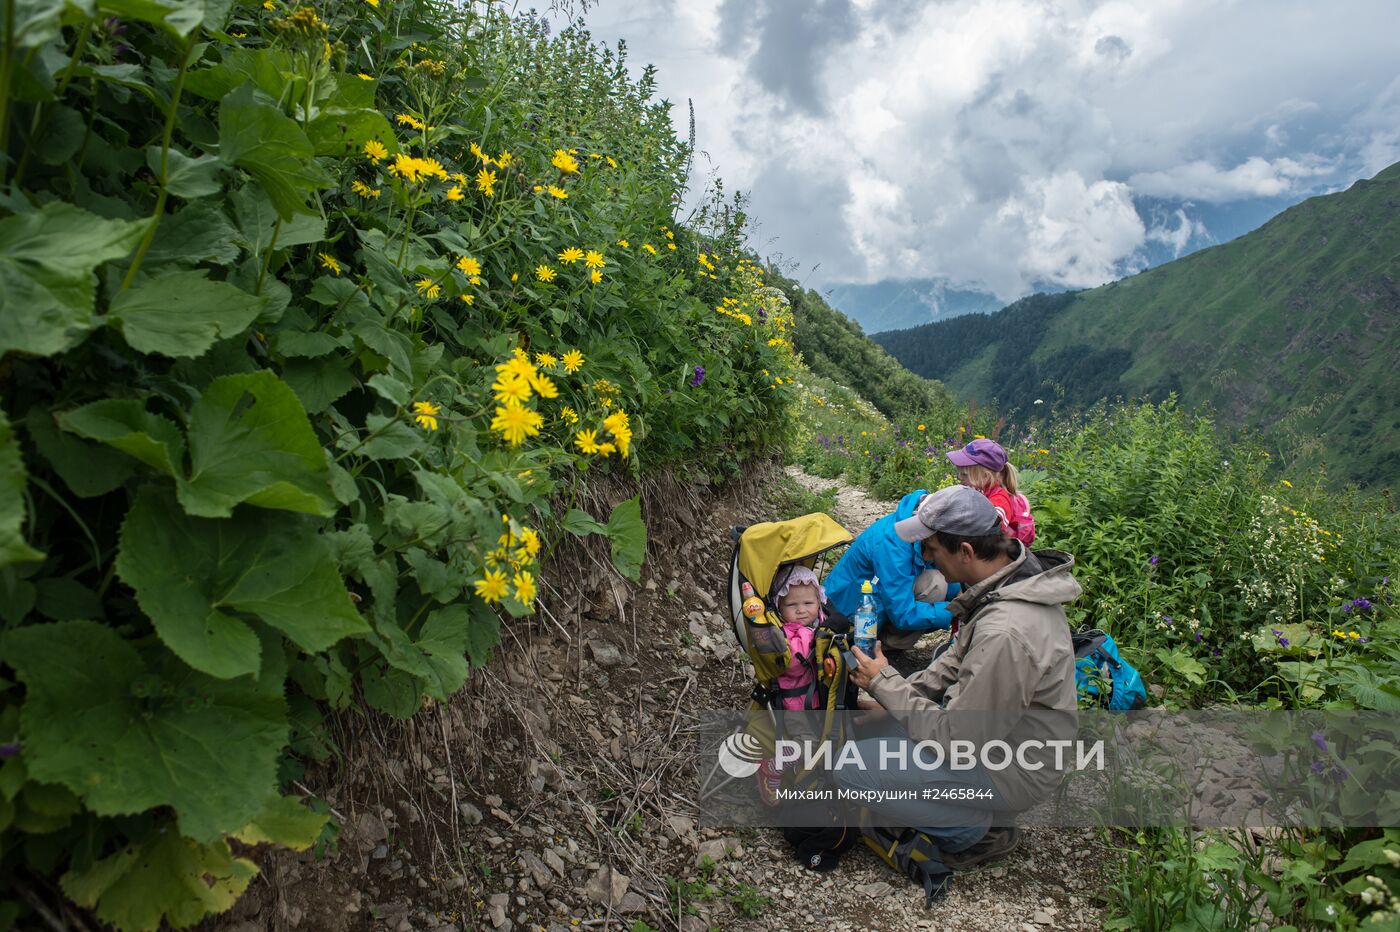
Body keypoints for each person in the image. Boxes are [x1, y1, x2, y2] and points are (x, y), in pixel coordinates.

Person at [841, 484, 1080, 865]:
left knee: (851, 769)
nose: (924, 556)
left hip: (1014, 769)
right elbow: (952, 662)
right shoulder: (1005, 584)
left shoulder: (1007, 632)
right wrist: (889, 696)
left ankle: (973, 829)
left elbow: (957, 739)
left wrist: (885, 681)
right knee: (878, 729)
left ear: (966, 552)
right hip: (998, 744)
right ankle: (962, 807)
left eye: (931, 549)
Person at [823, 490, 963, 650]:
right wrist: (953, 610)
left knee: (938, 581)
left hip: (876, 602)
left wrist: (959, 594)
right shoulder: (892, 544)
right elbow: (902, 613)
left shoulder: (914, 523)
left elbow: (935, 564)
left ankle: (882, 640)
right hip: (848, 616)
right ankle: (883, 645)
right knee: (936, 584)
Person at [755, 565, 836, 805]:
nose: (801, 611)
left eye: (808, 604)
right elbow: (792, 664)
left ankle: (803, 773)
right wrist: (815, 640)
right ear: (780, 608)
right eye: (792, 606)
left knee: (820, 738)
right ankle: (771, 767)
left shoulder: (818, 623)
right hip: (795, 703)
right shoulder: (789, 634)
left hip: (813, 699)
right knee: (809, 745)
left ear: (819, 603)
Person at [947, 439, 1036, 546]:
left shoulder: (1000, 499)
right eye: (959, 473)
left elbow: (991, 526)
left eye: (965, 475)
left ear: (985, 476)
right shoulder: (981, 490)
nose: (960, 478)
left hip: (1000, 553)